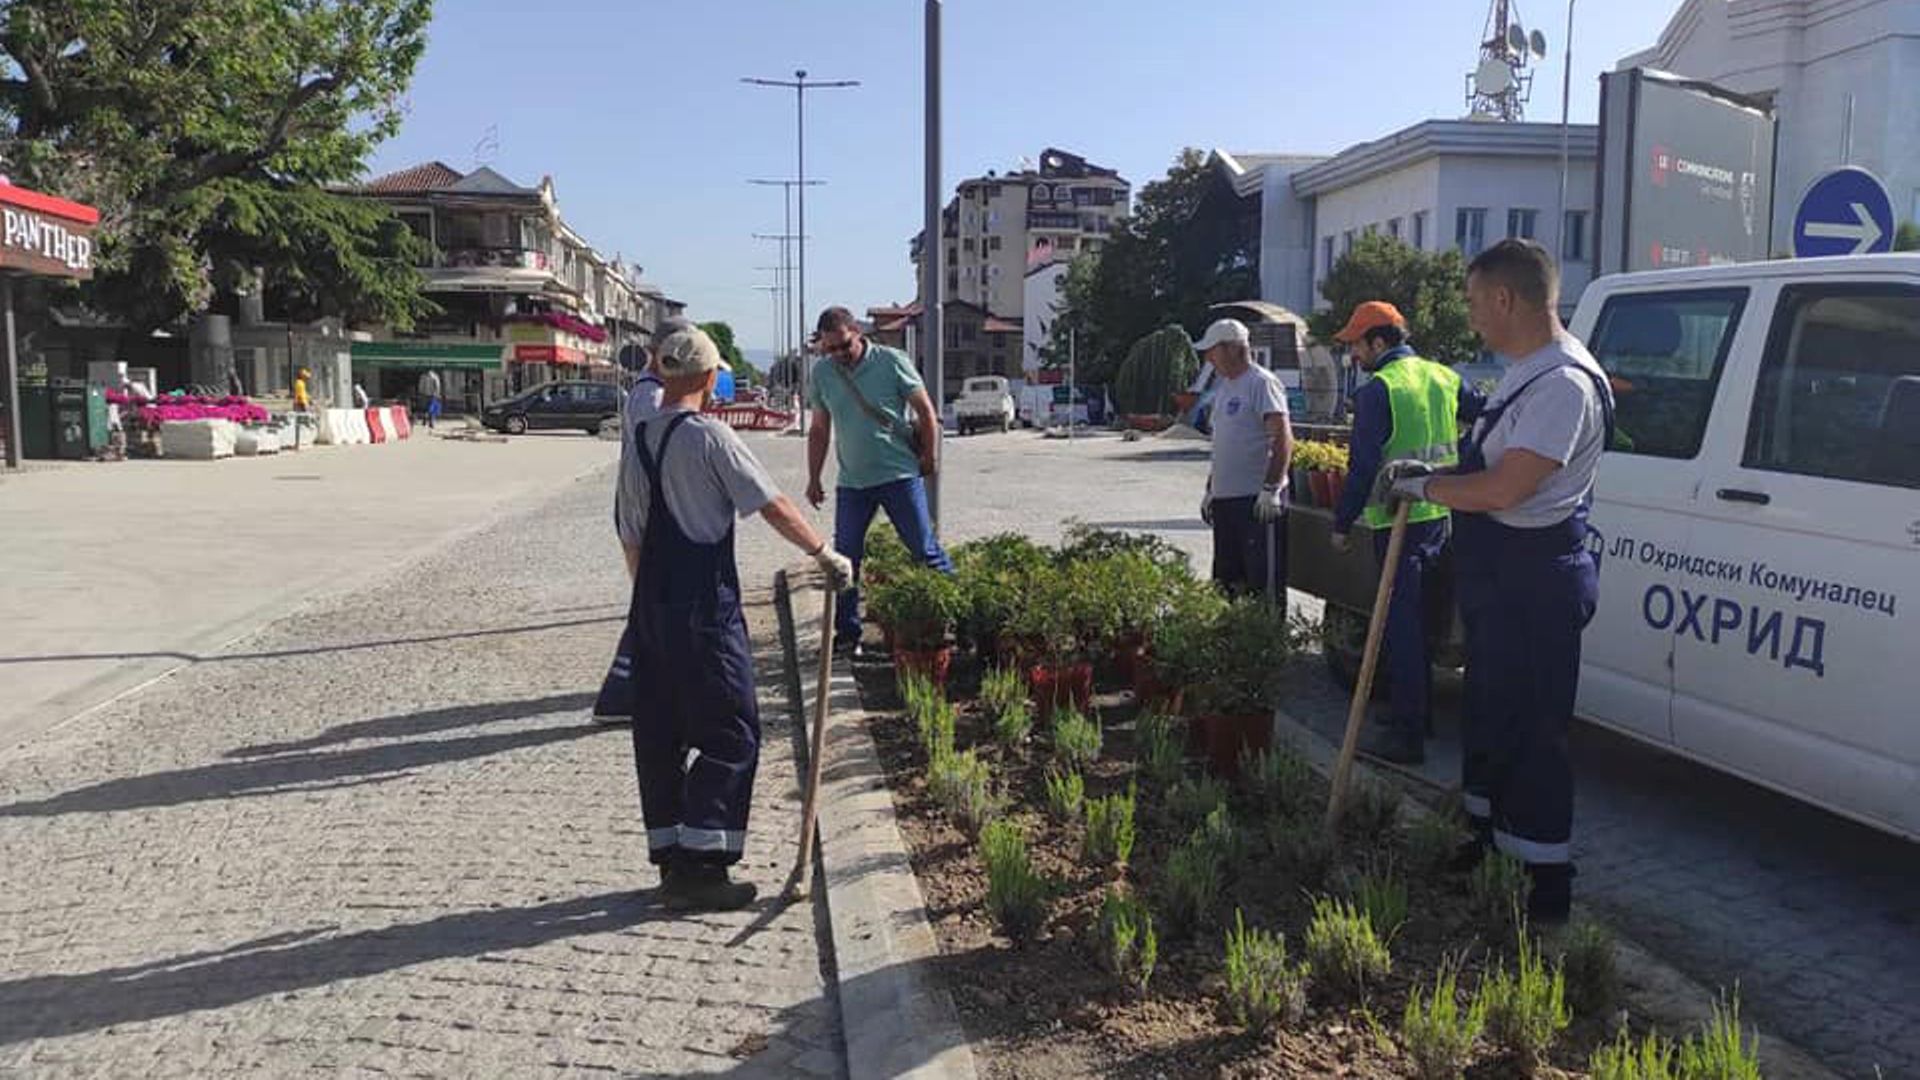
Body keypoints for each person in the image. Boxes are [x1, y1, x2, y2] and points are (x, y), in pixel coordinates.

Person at [1381, 239, 1614, 921]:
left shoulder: (1564, 384)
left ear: (1507, 298)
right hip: (1503, 584)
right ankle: (1488, 849)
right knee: (1491, 721)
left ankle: (1540, 892)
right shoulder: (1525, 371)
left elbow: (1508, 487)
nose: (1472, 315)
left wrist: (1424, 485)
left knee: (1531, 736)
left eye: (1476, 301)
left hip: (1535, 585)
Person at [617, 326, 853, 911]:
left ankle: (672, 857)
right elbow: (769, 502)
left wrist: (649, 602)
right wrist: (822, 553)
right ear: (707, 377)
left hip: (651, 605)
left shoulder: (639, 438)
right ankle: (702, 866)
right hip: (703, 607)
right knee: (732, 728)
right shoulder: (710, 437)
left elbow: (630, 534)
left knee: (662, 733)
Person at [1330, 302, 1471, 766]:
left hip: (1398, 526)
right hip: (1441, 520)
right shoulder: (1444, 376)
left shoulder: (1379, 390)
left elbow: (1363, 467)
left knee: (1401, 632)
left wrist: (1341, 521)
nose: (1353, 355)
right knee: (1424, 630)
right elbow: (1488, 417)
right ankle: (1418, 715)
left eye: (1356, 345)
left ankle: (1407, 736)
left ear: (1380, 341)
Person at [805, 306, 952, 655]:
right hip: (852, 482)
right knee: (845, 559)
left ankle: (955, 614)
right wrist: (813, 478)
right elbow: (819, 429)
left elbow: (926, 412)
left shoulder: (891, 361)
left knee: (924, 549)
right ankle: (848, 634)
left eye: (844, 345)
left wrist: (929, 456)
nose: (839, 354)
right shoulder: (824, 373)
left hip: (898, 475)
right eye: (830, 349)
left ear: (858, 332)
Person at [592, 317, 689, 725]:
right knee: (654, 604)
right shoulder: (650, 399)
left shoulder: (651, 393)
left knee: (656, 603)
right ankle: (621, 694)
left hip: (645, 510)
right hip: (646, 513)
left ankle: (644, 688)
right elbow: (666, 459)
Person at [1195, 318, 1294, 603]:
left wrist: (1271, 488)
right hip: (1227, 503)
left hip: (1256, 502)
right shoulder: (1225, 387)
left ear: (1231, 349)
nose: (1208, 358)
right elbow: (1224, 444)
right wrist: (1211, 489)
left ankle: (1268, 644)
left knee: (1263, 584)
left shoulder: (1261, 383)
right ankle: (1233, 646)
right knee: (1227, 583)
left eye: (1212, 351)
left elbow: (1282, 438)